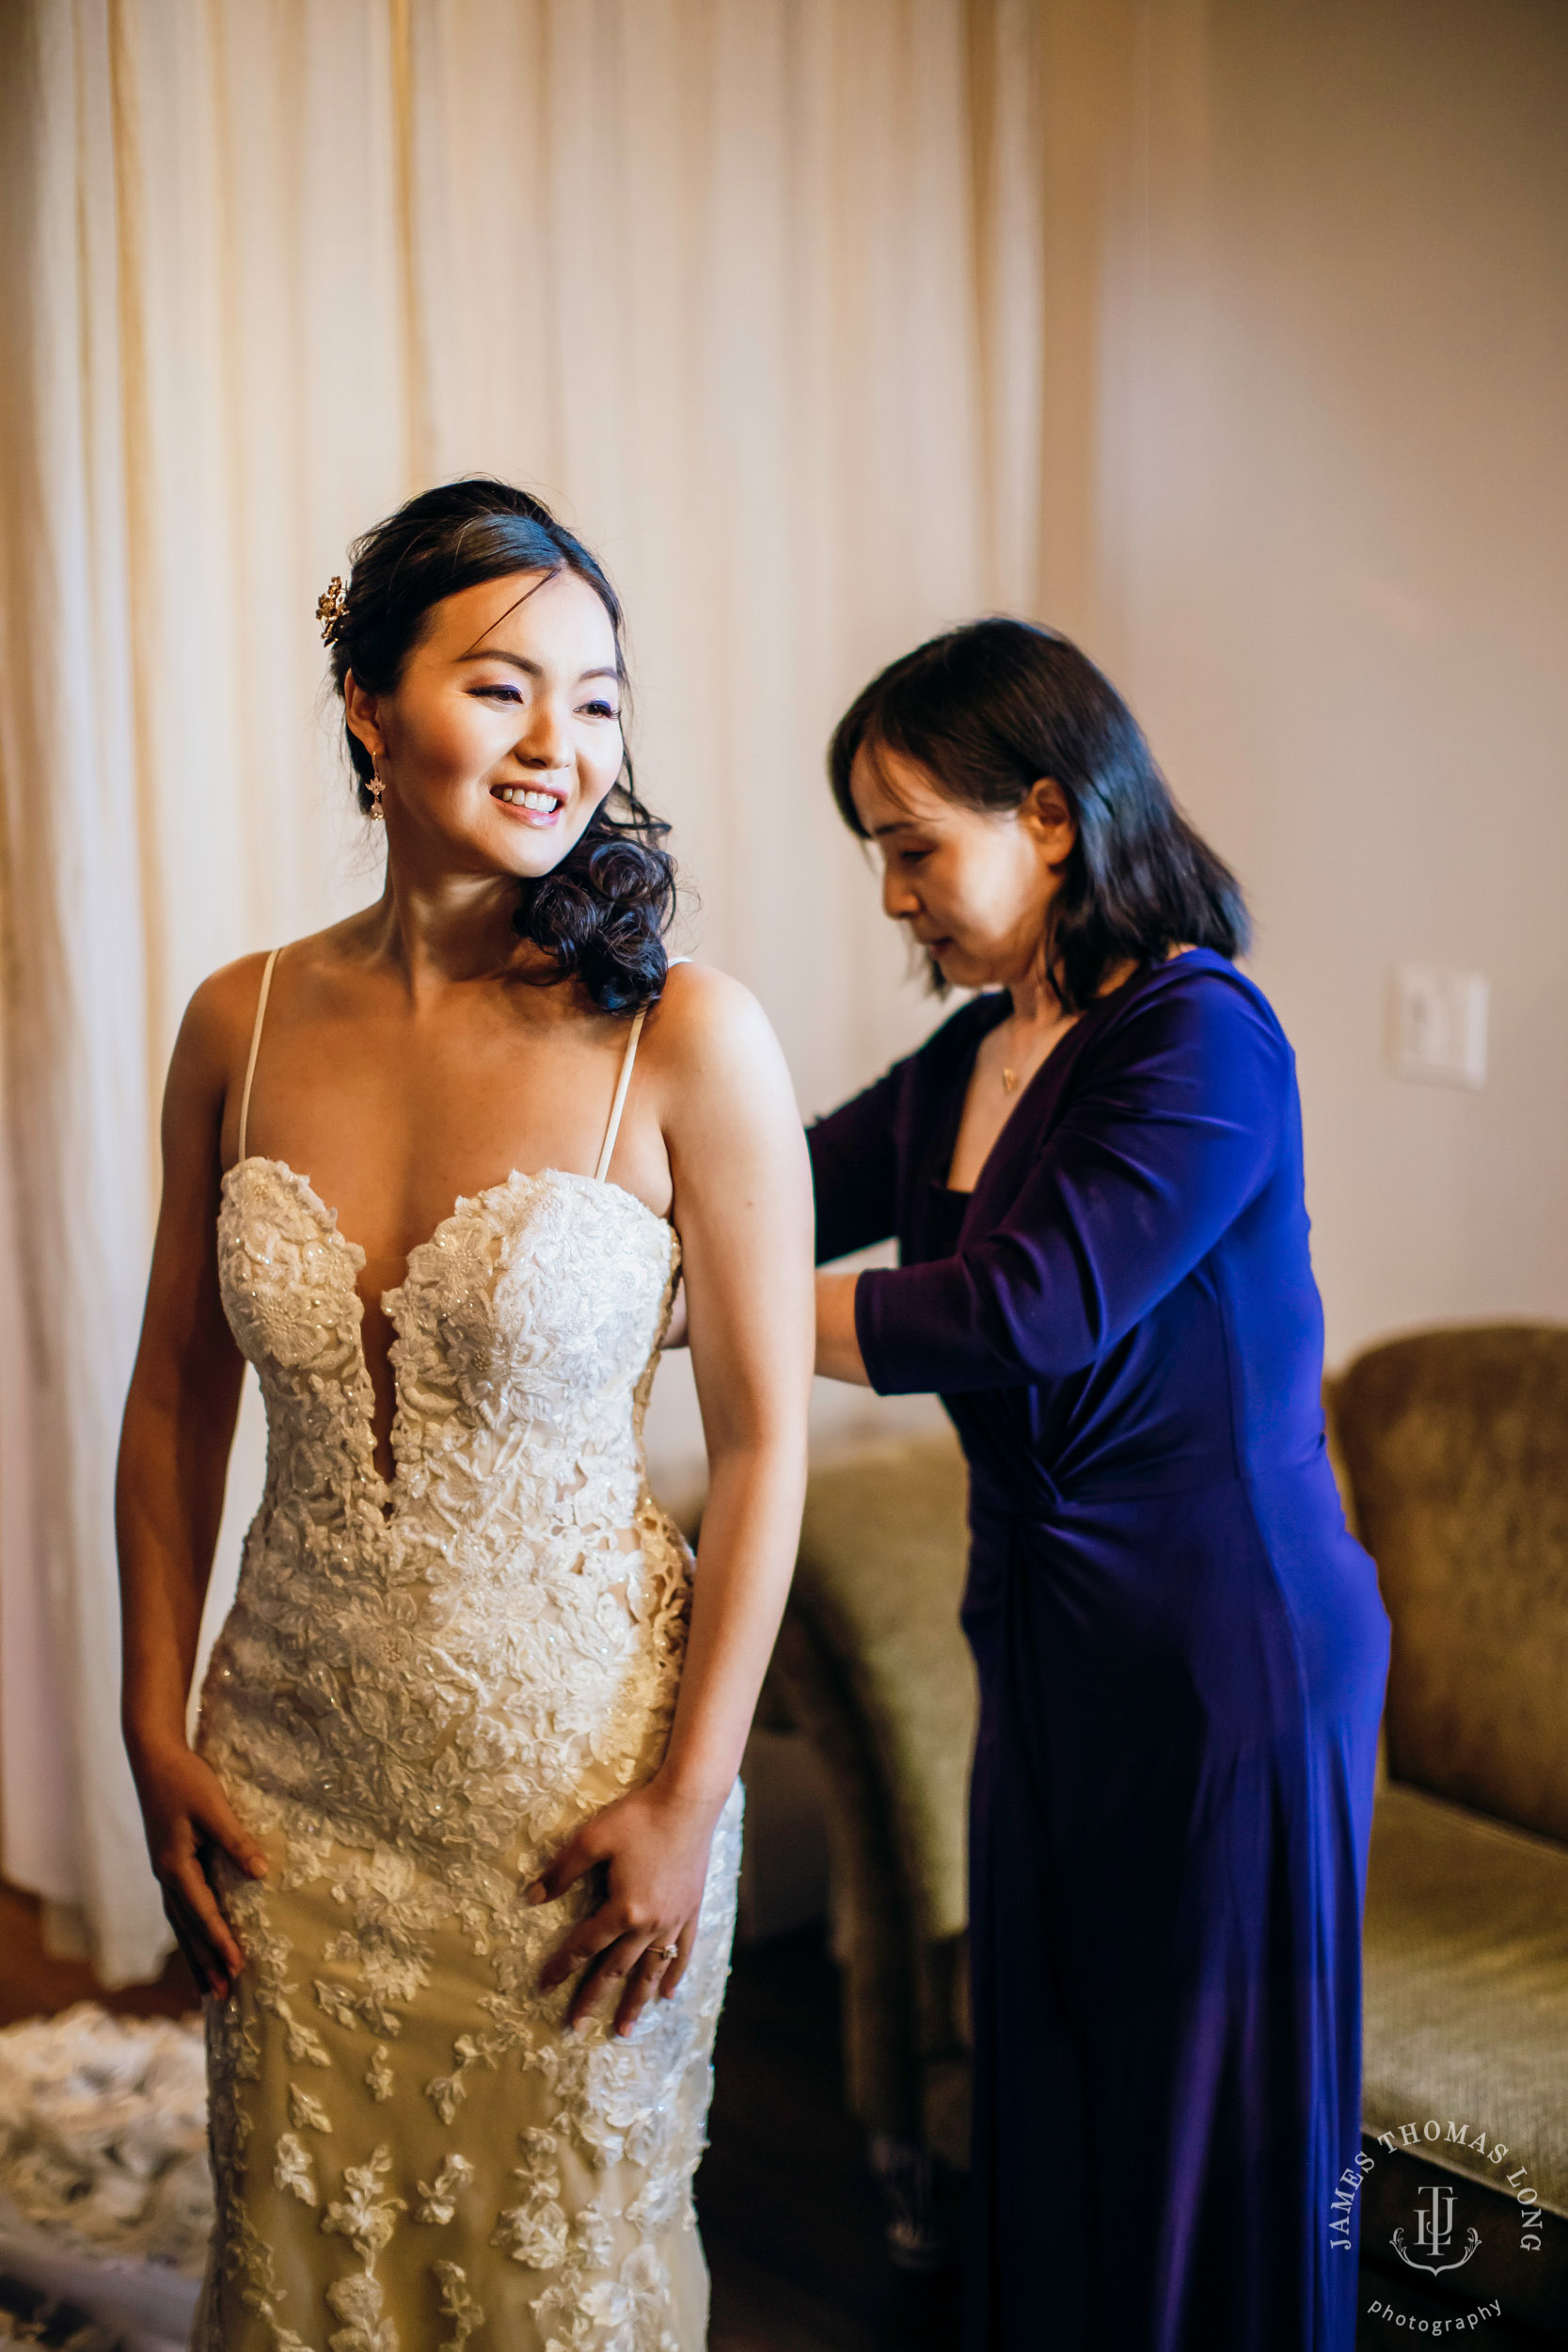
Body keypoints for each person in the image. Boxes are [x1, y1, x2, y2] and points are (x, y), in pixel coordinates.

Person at [116, 479, 814, 2352]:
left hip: (573, 1811)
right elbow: (177, 1385)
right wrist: (147, 1708)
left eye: (598, 698)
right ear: (367, 699)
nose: (561, 745)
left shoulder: (686, 1038)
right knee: (299, 2268)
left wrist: (688, 1794)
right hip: (291, 1777)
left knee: (549, 2282)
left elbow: (762, 1448)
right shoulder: (236, 1021)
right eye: (504, 687)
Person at [808, 620, 1389, 2352]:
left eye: (916, 845)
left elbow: (1025, 1311)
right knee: (1050, 2075)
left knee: (1209, 2111)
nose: (896, 893)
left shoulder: (1204, 1040)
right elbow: (767, 1167)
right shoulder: (970, 1058)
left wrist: (723, 1314)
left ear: (1050, 817)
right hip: (1050, 1635)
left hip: (1229, 1656)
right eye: (880, 858)